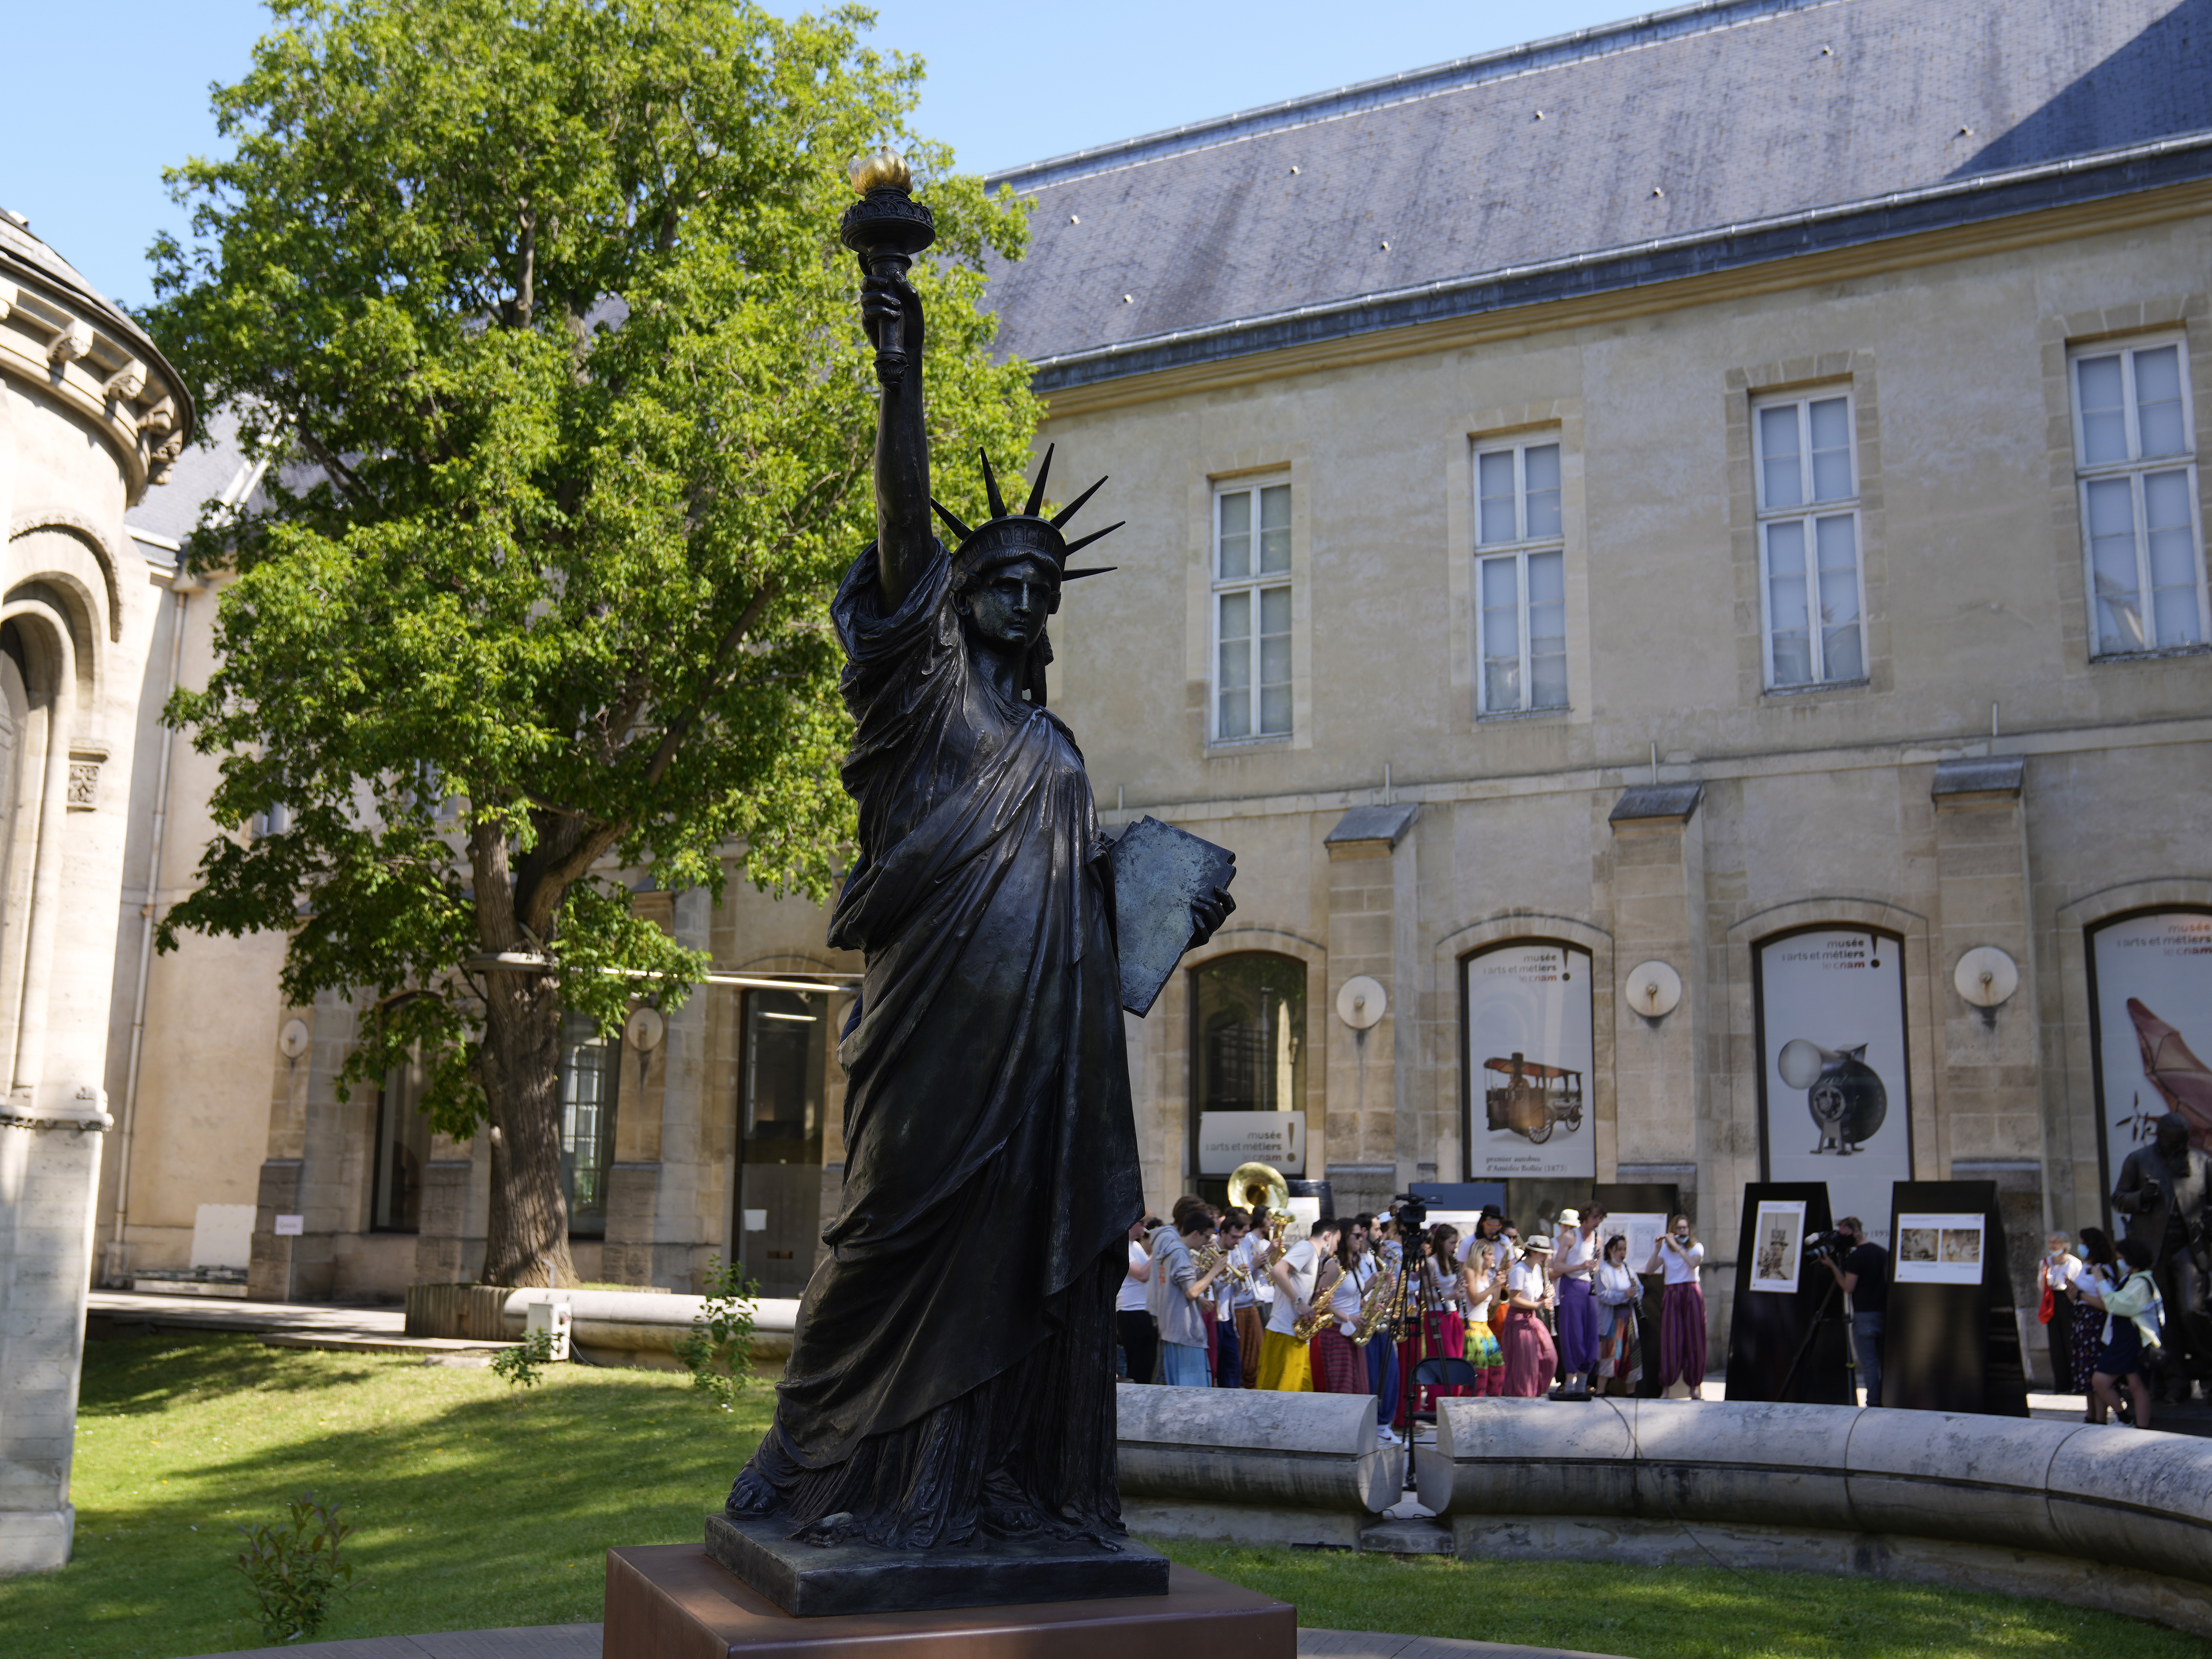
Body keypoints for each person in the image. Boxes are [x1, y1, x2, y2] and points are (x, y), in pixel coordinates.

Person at [722, 258, 1232, 1550]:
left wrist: (1153, 911)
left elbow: (1069, 908)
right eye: (1001, 579)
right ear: (958, 602)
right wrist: (902, 376)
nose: (1023, 597)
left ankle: (995, 1484)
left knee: (1024, 1270)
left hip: (1046, 1064)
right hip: (937, 1043)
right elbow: (904, 521)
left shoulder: (1053, 748)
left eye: (1040, 588)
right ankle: (818, 1466)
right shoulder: (929, 705)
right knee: (888, 1243)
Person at [2112, 1112, 2210, 1402]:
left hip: (2190, 1249)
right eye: (2172, 1141)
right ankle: (2176, 1378)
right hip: (2153, 1250)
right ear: (2161, 1138)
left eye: (2182, 1141)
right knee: (2164, 1318)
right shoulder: (2139, 1160)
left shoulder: (2203, 1163)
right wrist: (2142, 1197)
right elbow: (2119, 1198)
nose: (2178, 1146)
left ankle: (2207, 1366)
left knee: (2193, 1310)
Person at [2082, 1236, 2166, 1429]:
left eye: (2121, 1257)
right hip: (2126, 1339)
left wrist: (2100, 1281)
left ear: (2131, 1258)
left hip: (2132, 1341)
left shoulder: (2141, 1283)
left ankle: (2130, 1421)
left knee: (2104, 1381)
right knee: (2136, 1386)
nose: (2119, 1261)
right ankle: (2133, 1423)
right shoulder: (2133, 1279)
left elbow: (2115, 1304)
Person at [1260, 1217, 1344, 1391]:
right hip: (1284, 1332)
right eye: (1337, 1241)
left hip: (1294, 1334)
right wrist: (1300, 1302)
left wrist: (1314, 1299)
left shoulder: (1311, 1254)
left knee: (1301, 1394)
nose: (1337, 1247)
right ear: (1328, 1236)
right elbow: (1278, 1271)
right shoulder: (1306, 1248)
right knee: (1282, 1394)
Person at [1820, 1215, 1889, 1407]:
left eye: (1845, 1234)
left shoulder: (1857, 1257)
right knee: (1882, 1363)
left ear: (1856, 1231)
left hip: (1865, 1316)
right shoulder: (1882, 1252)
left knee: (1870, 1365)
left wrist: (1832, 1266)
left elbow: (1848, 1287)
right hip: (1883, 1314)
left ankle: (1873, 1403)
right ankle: (1886, 1399)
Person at [1151, 1211, 1226, 1387]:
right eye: (1207, 1236)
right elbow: (1191, 1292)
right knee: (1190, 1391)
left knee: (1172, 1386)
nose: (1209, 1241)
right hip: (1184, 1331)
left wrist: (1206, 1274)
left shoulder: (1171, 1251)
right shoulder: (1180, 1253)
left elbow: (1180, 1285)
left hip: (1172, 1329)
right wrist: (1214, 1271)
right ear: (1195, 1234)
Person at [1644, 1213, 1707, 1399]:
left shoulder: (1697, 1247)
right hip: (1672, 1293)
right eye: (1678, 1228)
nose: (1681, 1231)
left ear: (1689, 1230)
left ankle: (1694, 1387)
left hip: (1691, 1292)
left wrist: (1678, 1247)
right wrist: (1657, 1249)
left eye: (1684, 1228)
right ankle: (1666, 1387)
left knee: (1695, 1338)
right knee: (1671, 1340)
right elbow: (1649, 1270)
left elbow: (1693, 1263)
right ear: (1673, 1230)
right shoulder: (1666, 1250)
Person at [1549, 1206, 1605, 1395]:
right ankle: (1569, 1382)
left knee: (1590, 1333)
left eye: (1600, 1219)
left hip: (1587, 1286)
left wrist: (1592, 1266)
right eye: (1595, 1218)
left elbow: (1594, 1267)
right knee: (1573, 1333)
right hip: (1571, 1286)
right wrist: (1582, 1265)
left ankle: (1582, 1382)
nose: (1597, 1222)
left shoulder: (1598, 1239)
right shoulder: (1570, 1236)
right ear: (1586, 1217)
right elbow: (1558, 1265)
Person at [1309, 1226, 1367, 1396]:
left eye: (1362, 1235)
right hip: (1336, 1333)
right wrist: (1348, 1317)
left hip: (1351, 1332)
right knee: (1342, 1387)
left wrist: (1378, 1280)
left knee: (1356, 1385)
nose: (1361, 1239)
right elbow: (1320, 1301)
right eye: (1356, 1236)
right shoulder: (1334, 1265)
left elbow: (1354, 1296)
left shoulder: (1353, 1264)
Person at [1499, 1234, 1559, 1397]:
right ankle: (1523, 1398)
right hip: (1518, 1321)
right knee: (1525, 1366)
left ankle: (1535, 1392)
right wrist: (1539, 1305)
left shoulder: (1538, 1269)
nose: (1546, 1257)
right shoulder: (1519, 1270)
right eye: (1542, 1253)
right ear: (1532, 1252)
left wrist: (1546, 1297)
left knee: (1550, 1357)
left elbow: (1536, 1296)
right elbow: (1514, 1300)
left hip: (1531, 1318)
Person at [2069, 1227, 2120, 1400]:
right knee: (2085, 1369)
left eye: (2083, 1244)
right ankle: (2090, 1413)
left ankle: (2100, 1416)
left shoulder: (2102, 1270)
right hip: (2081, 1320)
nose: (2080, 1247)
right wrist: (2073, 1293)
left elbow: (2107, 1303)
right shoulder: (2086, 1267)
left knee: (2094, 1367)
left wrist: (2080, 1295)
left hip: (2095, 1322)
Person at [1591, 1233, 1644, 1397]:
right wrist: (1624, 1295)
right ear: (1610, 1250)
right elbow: (1603, 1295)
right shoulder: (1604, 1271)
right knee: (1609, 1353)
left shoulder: (1629, 1270)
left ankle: (1631, 1393)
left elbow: (1640, 1290)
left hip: (1628, 1318)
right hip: (1612, 1318)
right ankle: (1600, 1391)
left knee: (1632, 1354)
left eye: (1624, 1249)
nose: (1622, 1253)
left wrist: (1635, 1292)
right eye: (1619, 1250)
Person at [1228, 1206, 1274, 1389]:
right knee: (1244, 1358)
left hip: (1251, 1303)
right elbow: (1233, 1282)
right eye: (1242, 1226)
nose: (1246, 1230)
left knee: (1256, 1356)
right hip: (1238, 1307)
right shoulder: (1241, 1244)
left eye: (1247, 1225)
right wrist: (1253, 1265)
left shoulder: (1243, 1244)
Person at [1458, 1222, 1506, 1395]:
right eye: (1491, 1255)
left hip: (1485, 1326)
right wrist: (1494, 1285)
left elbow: (1494, 1304)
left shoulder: (1489, 1275)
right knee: (1480, 1371)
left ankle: (1494, 1401)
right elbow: (1475, 1299)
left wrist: (1498, 1285)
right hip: (1472, 1326)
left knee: (1498, 1365)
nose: (1494, 1258)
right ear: (1481, 1255)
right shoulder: (1469, 1272)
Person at [2037, 1232, 2082, 1396]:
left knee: (2070, 1341)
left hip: (2068, 1302)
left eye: (2056, 1242)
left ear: (2065, 1244)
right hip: (2052, 1302)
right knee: (2056, 1344)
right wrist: (2043, 1275)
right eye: (2050, 1242)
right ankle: (2061, 1384)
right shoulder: (2046, 1262)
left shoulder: (2074, 1262)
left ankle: (2076, 1382)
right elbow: (2042, 1287)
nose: (2052, 1246)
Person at [1117, 1217, 1156, 1384]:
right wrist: (1159, 1250)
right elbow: (1142, 1275)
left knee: (1147, 1363)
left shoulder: (1137, 1246)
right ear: (1131, 1224)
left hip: (1142, 1310)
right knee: (1140, 1364)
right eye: (1142, 1222)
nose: (1145, 1226)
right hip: (1131, 1310)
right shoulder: (1123, 1246)